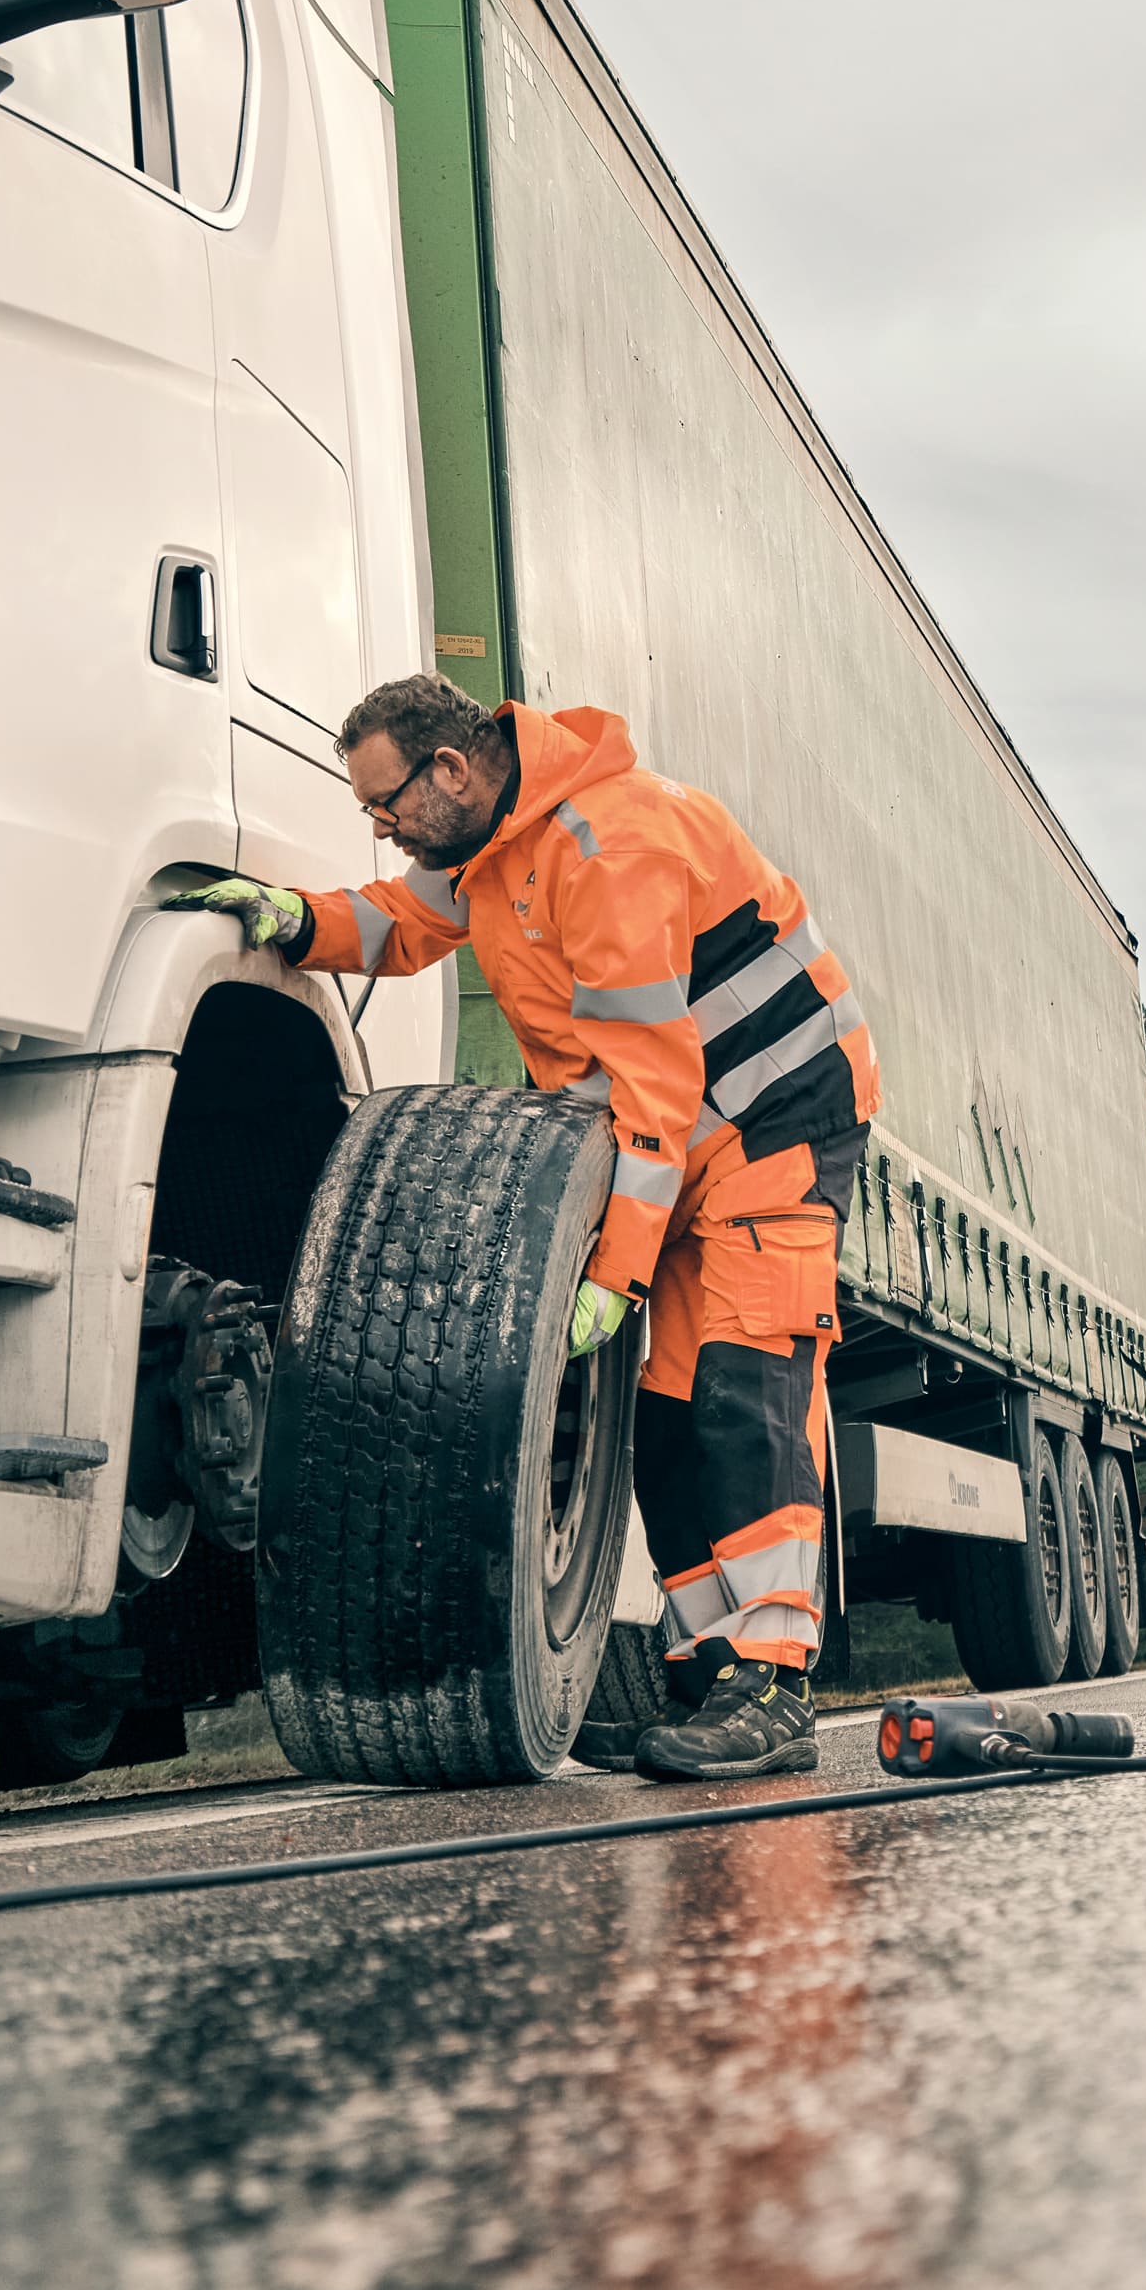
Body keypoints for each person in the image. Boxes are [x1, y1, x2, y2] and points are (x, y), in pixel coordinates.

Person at [172, 675, 876, 1780]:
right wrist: (300, 921)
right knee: (668, 1414)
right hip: (684, 1141)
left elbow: (650, 1086)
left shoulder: (608, 850)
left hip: (765, 1131)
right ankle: (706, 1678)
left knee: (745, 1388)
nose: (381, 824)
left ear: (450, 770)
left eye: (385, 801)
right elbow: (406, 919)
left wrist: (617, 1276)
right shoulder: (498, 850)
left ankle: (773, 1682)